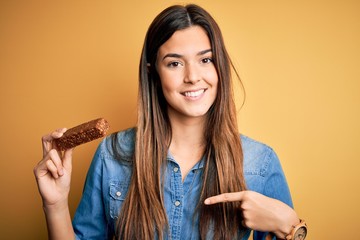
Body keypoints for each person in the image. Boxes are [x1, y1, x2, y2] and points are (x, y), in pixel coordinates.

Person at [34, 4, 306, 240]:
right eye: (175, 63)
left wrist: (290, 226)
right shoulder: (113, 155)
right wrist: (55, 204)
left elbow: (288, 230)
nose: (193, 77)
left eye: (205, 59)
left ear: (219, 65)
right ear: (154, 73)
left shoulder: (260, 164)